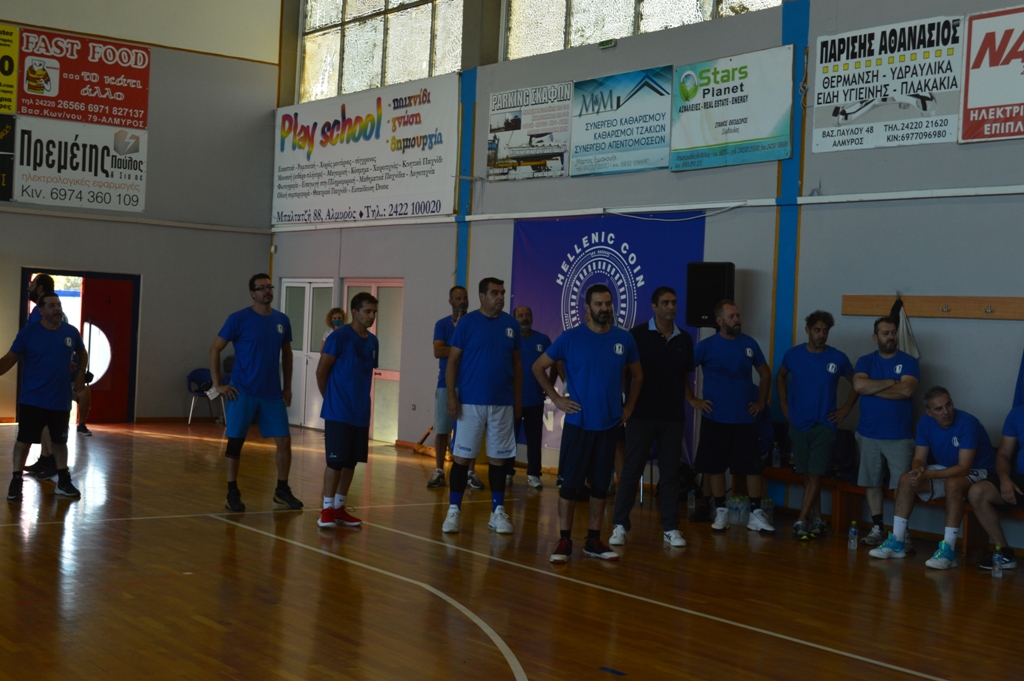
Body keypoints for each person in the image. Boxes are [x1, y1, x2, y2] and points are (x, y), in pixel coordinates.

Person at [534, 284, 643, 564]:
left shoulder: (624, 339)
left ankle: (593, 540)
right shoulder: (570, 338)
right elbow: (538, 366)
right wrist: (556, 398)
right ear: (587, 307)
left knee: (599, 487)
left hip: (608, 425)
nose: (604, 308)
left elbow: (638, 376)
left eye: (607, 303)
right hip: (578, 424)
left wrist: (629, 407)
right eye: (598, 304)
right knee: (570, 487)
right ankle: (564, 540)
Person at [869, 387, 996, 570]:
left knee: (953, 484)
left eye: (948, 405)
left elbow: (963, 468)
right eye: (939, 409)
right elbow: (919, 458)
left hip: (979, 470)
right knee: (905, 480)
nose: (946, 412)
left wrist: (928, 474)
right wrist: (917, 471)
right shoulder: (924, 423)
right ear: (929, 412)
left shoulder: (968, 424)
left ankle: (948, 551)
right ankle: (897, 542)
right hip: (946, 467)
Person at [209, 274, 303, 512]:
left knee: (284, 441)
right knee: (236, 442)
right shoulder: (238, 318)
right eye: (261, 288)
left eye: (269, 287)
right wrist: (218, 384)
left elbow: (287, 354)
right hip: (242, 391)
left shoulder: (281, 320)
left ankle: (282, 490)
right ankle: (232, 492)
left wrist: (288, 386)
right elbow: (215, 349)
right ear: (252, 293)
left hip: (271, 393)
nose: (266, 291)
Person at [610, 286, 692, 549]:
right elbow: (625, 372)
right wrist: (628, 405)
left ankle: (670, 528)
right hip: (641, 415)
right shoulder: (636, 335)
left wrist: (691, 399)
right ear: (654, 307)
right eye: (665, 303)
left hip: (673, 417)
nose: (671, 307)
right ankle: (619, 525)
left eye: (674, 302)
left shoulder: (685, 339)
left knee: (670, 473)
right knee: (631, 470)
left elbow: (684, 375)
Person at [688, 300, 775, 533]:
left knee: (752, 468)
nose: (737, 320)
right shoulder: (706, 346)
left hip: (745, 419)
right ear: (720, 321)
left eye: (737, 315)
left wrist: (760, 402)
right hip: (715, 418)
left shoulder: (749, 344)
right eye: (731, 316)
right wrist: (693, 399)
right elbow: (682, 372)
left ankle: (756, 514)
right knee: (715, 466)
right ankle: (721, 512)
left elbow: (765, 373)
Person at [442, 277, 521, 535]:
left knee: (498, 460)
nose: (500, 297)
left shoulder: (511, 324)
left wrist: (518, 401)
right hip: (470, 403)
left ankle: (497, 512)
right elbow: (452, 362)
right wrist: (451, 397)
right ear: (482, 296)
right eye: (495, 293)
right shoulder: (467, 323)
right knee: (462, 458)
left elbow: (517, 365)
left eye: (503, 293)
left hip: (503, 404)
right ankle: (454, 511)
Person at [777, 310, 857, 540]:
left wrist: (846, 408)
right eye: (817, 330)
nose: (822, 335)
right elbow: (780, 376)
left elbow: (857, 383)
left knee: (815, 472)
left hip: (824, 425)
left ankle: (801, 520)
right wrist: (783, 403)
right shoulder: (793, 355)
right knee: (809, 475)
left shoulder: (838, 358)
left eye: (825, 331)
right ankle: (819, 519)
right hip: (798, 423)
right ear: (808, 330)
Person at [3, 292, 87, 501]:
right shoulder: (28, 333)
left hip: (60, 399)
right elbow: (9, 359)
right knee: (24, 442)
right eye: (51, 305)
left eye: (58, 305)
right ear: (41, 311)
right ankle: (16, 481)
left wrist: (80, 372)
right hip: (33, 399)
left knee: (59, 442)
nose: (57, 309)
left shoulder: (70, 332)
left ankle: (63, 481)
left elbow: (82, 352)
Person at [852, 317, 919, 546]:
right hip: (868, 434)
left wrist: (873, 387)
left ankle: (901, 532)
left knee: (903, 486)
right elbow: (859, 386)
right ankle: (878, 528)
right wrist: (892, 382)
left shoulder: (909, 361)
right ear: (875, 337)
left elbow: (907, 390)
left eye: (893, 332)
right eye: (885, 333)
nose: (890, 337)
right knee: (871, 482)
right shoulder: (866, 360)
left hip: (899, 436)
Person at [315, 292, 379, 529]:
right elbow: (321, 372)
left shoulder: (373, 342)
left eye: (374, 312)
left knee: (351, 463)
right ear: (354, 312)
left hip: (360, 412)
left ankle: (339, 508)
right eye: (367, 311)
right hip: (338, 412)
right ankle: (326, 509)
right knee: (336, 462)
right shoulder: (339, 337)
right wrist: (330, 399)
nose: (371, 316)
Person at [428, 286, 484, 490]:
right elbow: (438, 351)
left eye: (465, 298)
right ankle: (439, 471)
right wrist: (461, 349)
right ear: (450, 301)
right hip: (446, 384)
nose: (462, 301)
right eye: (458, 298)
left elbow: (478, 351)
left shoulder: (476, 323)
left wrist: (455, 350)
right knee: (442, 429)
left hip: (471, 384)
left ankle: (470, 472)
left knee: (472, 429)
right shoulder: (442, 324)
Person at [966, 403, 1024, 570]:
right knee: (977, 492)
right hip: (1019, 477)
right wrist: (1005, 479)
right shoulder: (1017, 414)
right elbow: (1003, 454)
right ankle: (1004, 553)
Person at [509, 305, 552, 490]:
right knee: (509, 438)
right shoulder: (510, 340)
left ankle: (534, 474)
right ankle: (507, 472)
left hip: (534, 399)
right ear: (514, 319)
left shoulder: (543, 340)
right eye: (520, 315)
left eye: (527, 315)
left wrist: (549, 386)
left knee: (534, 440)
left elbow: (556, 362)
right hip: (512, 400)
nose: (524, 318)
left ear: (532, 318)